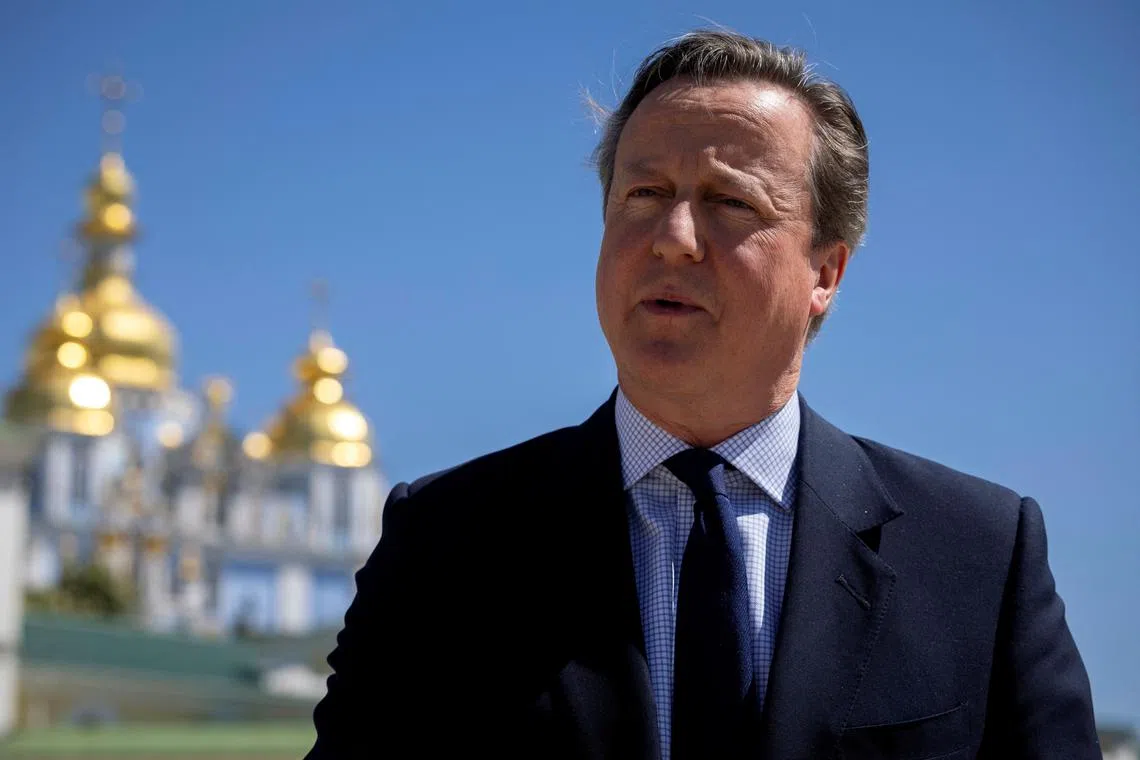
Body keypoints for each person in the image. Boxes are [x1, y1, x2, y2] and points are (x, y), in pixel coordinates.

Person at [306, 30, 1099, 759]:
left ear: (825, 273)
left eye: (730, 203)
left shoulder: (978, 555)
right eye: (643, 195)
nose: (673, 237)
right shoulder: (447, 544)